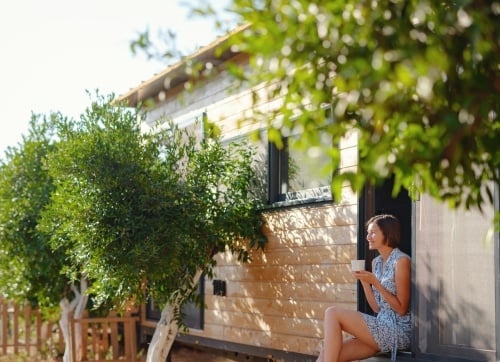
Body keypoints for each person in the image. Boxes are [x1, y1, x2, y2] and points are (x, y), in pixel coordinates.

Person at [316, 214, 411, 362]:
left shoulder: (401, 261)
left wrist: (376, 283)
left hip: (397, 331)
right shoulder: (377, 262)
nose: (368, 237)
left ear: (387, 233)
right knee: (326, 354)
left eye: (373, 232)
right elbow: (377, 308)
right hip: (380, 328)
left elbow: (402, 309)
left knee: (332, 313)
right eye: (368, 233)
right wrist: (365, 282)